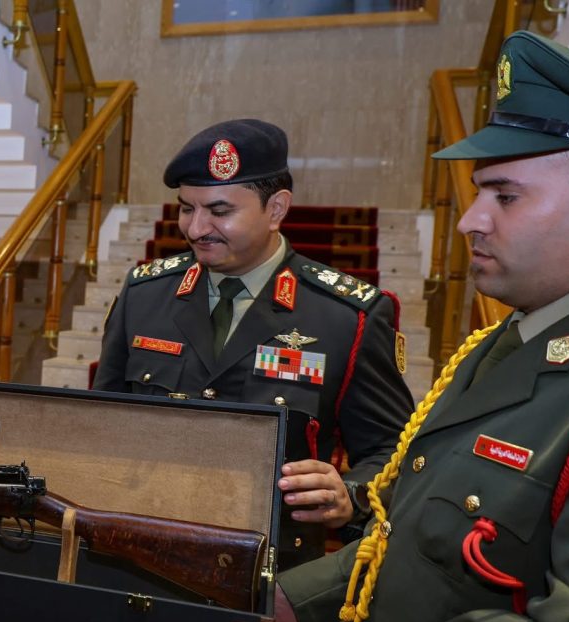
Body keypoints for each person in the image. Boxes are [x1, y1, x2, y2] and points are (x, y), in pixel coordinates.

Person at [217, 31, 569, 622]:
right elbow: (402, 546)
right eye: (477, 194)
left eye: (506, 196)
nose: (469, 221)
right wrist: (286, 601)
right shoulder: (495, 349)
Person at [94, 118, 414, 570]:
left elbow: (393, 452)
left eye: (219, 211)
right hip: (141, 553)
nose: (196, 228)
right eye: (186, 209)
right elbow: (100, 422)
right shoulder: (145, 293)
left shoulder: (347, 315)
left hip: (271, 571)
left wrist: (352, 494)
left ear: (276, 209)